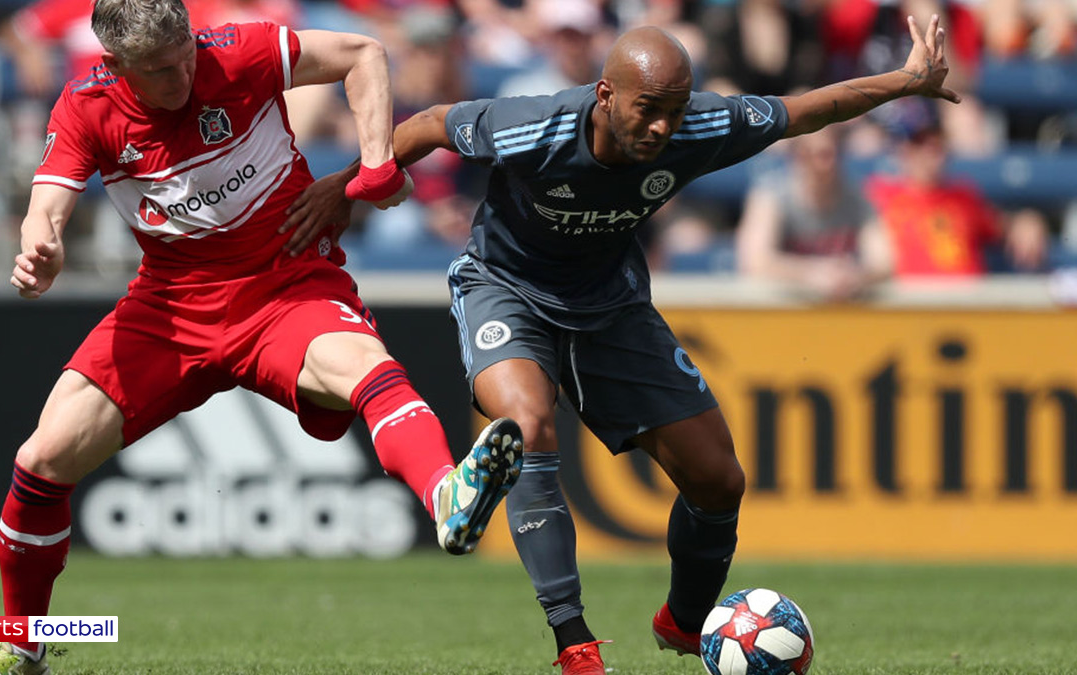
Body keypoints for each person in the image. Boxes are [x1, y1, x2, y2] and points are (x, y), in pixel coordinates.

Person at [286, 13, 960, 675]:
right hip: (507, 289)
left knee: (719, 479)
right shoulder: (535, 125)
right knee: (524, 428)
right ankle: (575, 644)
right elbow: (431, 123)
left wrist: (905, 81)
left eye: (674, 109)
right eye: (648, 110)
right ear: (606, 96)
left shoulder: (697, 126)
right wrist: (348, 184)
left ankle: (685, 622)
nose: (663, 127)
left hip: (610, 308)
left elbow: (804, 109)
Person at [0, 1, 524, 673]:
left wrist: (373, 161)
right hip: (169, 308)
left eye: (186, 54)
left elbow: (362, 54)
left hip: (284, 285)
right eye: (162, 71)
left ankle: (446, 496)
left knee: (367, 369)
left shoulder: (236, 51)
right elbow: (46, 206)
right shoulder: (86, 106)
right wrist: (38, 245)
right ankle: (20, 646)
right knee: (42, 460)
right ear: (116, 67)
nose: (184, 75)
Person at [866, 99, 1049, 277]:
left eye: (937, 137)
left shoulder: (964, 196)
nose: (931, 148)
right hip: (910, 303)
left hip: (967, 303)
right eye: (919, 141)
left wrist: (1026, 221)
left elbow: (1003, 225)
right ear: (902, 148)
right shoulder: (880, 195)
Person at [736, 126, 891, 301]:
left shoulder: (859, 196)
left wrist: (856, 276)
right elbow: (755, 262)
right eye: (821, 155)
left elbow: (884, 262)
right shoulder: (771, 195)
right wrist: (811, 273)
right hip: (783, 312)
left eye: (834, 153)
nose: (829, 164)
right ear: (798, 156)